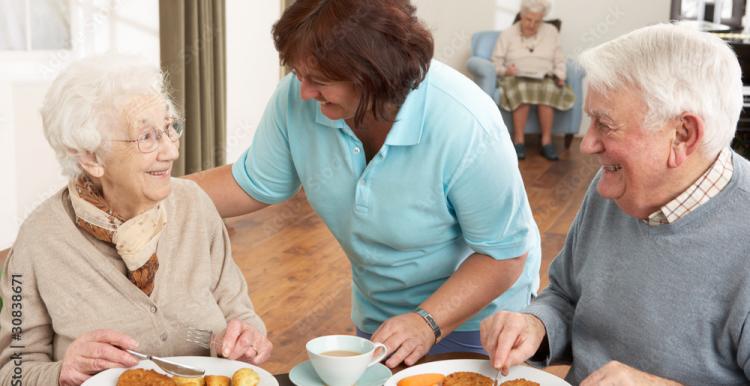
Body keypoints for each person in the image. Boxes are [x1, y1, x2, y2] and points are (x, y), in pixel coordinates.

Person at [188, 0, 541, 369]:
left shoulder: (465, 123)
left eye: (319, 81)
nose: (304, 91)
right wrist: (151, 192)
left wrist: (428, 321)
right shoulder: (298, 100)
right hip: (383, 319)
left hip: (479, 322)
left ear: (373, 75)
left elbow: (504, 254)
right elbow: (250, 183)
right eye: (297, 73)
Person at [480, 24, 750, 385]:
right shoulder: (615, 187)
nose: (586, 144)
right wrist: (536, 324)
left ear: (682, 135)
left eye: (604, 125)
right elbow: (564, 295)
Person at [0, 55, 272, 386]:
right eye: (146, 137)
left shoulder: (195, 206)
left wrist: (248, 340)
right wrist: (61, 373)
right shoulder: (37, 241)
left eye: (170, 128)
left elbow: (241, 314)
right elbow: (12, 372)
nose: (171, 151)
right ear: (90, 156)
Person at [491, 0, 575, 161]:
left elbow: (560, 58)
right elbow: (495, 63)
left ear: (542, 19)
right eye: (528, 19)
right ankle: (519, 141)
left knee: (548, 90)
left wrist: (560, 75)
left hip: (544, 76)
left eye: (537, 21)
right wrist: (506, 70)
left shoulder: (551, 31)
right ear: (521, 16)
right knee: (522, 90)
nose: (532, 24)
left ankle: (546, 142)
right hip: (515, 77)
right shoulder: (508, 33)